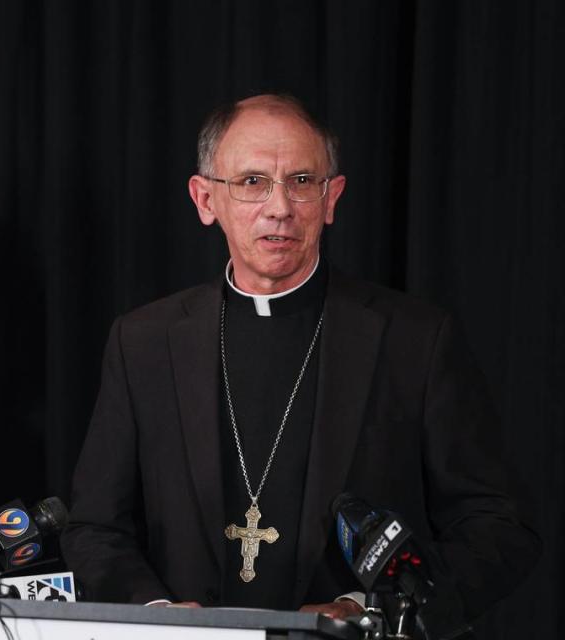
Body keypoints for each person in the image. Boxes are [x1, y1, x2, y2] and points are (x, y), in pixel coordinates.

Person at [60, 94, 540, 623]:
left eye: (303, 182)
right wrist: (158, 617)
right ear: (205, 200)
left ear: (332, 198)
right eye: (252, 182)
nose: (280, 207)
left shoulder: (415, 340)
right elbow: (96, 527)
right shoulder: (143, 342)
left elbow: (498, 526)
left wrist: (370, 611)